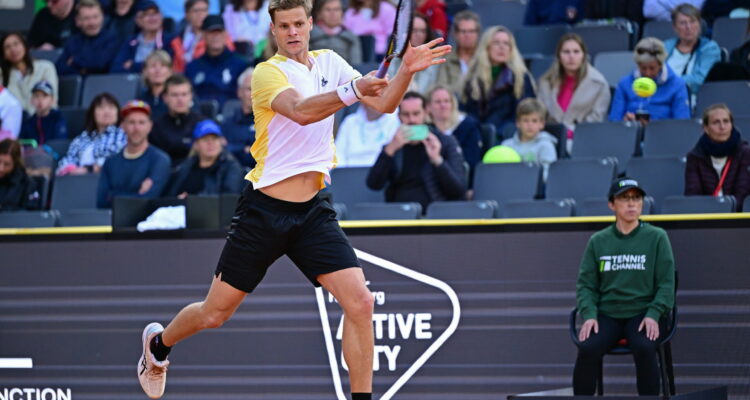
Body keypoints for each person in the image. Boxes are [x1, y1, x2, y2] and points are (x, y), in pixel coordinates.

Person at [135, 0, 450, 398]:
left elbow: (385, 104)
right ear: (274, 31)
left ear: (311, 23)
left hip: (314, 211)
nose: (293, 32)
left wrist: (406, 70)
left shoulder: (331, 62)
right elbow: (301, 112)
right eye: (284, 26)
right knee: (214, 314)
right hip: (263, 212)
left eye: (299, 23)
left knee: (361, 302)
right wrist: (352, 89)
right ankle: (159, 346)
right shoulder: (266, 73)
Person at [574, 177, 675, 396]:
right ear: (612, 205)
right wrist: (589, 314)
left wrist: (654, 313)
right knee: (588, 348)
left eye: (636, 198)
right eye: (625, 199)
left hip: (643, 312)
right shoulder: (598, 240)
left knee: (644, 346)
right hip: (608, 314)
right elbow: (586, 285)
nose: (632, 204)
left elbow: (667, 283)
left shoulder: (657, 237)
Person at [367, 91, 466, 210]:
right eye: (406, 114)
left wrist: (437, 160)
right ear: (399, 116)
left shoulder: (445, 142)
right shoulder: (393, 145)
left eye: (416, 114)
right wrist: (389, 151)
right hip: (399, 213)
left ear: (425, 113)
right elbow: (373, 184)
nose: (411, 119)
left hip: (434, 213)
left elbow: (458, 190)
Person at [537, 33, 611, 152]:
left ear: (583, 55)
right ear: (559, 56)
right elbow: (539, 114)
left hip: (583, 140)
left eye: (576, 52)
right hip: (549, 138)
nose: (571, 56)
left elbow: (597, 118)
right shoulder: (545, 82)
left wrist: (570, 132)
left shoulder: (599, 83)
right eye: (566, 52)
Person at [461, 25, 535, 137]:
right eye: (496, 43)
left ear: (511, 49)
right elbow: (465, 113)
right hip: (477, 136)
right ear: (486, 47)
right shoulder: (473, 78)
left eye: (506, 44)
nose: (502, 47)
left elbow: (524, 114)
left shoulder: (521, 78)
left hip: (507, 137)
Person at [97, 100, 171, 208]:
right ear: (122, 126)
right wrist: (137, 196)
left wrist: (114, 196)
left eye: (141, 122)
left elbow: (148, 201)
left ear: (150, 126)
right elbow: (101, 202)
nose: (136, 128)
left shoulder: (160, 160)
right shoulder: (110, 162)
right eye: (131, 122)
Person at [609, 37, 691, 123]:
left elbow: (682, 123)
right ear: (638, 65)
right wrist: (625, 122)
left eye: (652, 68)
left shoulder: (677, 85)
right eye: (643, 68)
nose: (647, 73)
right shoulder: (624, 84)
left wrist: (652, 125)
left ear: (660, 64)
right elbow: (614, 120)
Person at [685, 103, 750, 210]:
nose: (722, 127)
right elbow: (693, 196)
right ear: (706, 128)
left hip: (738, 218)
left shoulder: (745, 153)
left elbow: (743, 192)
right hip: (706, 217)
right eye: (716, 122)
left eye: (726, 121)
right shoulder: (694, 157)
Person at [165, 119, 244, 197]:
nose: (211, 143)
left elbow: (229, 200)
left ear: (221, 142)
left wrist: (191, 201)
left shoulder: (231, 167)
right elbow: (170, 194)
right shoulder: (186, 165)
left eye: (214, 138)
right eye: (205, 139)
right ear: (196, 144)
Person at [185, 15, 251, 106]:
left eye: (219, 32)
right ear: (203, 35)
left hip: (231, 116)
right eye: (211, 32)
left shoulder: (241, 65)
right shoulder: (192, 67)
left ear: (225, 34)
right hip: (200, 115)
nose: (216, 36)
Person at [57, 93, 126, 176]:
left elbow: (118, 160)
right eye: (101, 107)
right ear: (93, 113)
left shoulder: (122, 135)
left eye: (111, 107)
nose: (106, 111)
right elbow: (67, 161)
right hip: (76, 181)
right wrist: (69, 169)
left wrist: (89, 169)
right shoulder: (82, 138)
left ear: (118, 113)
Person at [426, 85, 482, 185]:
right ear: (428, 107)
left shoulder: (468, 125)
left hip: (460, 181)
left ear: (453, 104)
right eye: (438, 102)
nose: (443, 105)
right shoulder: (424, 129)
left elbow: (473, 162)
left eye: (447, 101)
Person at [664, 4, 721, 96]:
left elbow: (699, 80)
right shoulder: (665, 46)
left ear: (699, 24)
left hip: (693, 99)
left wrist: (667, 83)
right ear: (674, 27)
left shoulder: (710, 48)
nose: (688, 27)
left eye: (692, 21)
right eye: (683, 23)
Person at [149, 74, 204, 165]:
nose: (180, 100)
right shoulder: (156, 127)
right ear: (165, 98)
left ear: (191, 96)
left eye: (184, 94)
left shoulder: (202, 124)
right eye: (175, 95)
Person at [55, 0, 120, 76]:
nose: (92, 23)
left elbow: (100, 64)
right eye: (86, 18)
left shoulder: (111, 39)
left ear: (102, 17)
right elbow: (59, 69)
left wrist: (74, 62)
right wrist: (85, 67)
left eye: (95, 17)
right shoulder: (73, 41)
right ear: (78, 21)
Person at [1, 32, 59, 115]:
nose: (13, 49)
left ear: (24, 46)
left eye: (16, 44)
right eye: (7, 47)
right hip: (16, 124)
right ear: (3, 54)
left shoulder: (46, 67)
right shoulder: (2, 75)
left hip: (44, 120)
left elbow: (52, 101)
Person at [111, 1, 176, 73]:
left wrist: (133, 65)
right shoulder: (131, 41)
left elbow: (166, 66)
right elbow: (115, 68)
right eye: (146, 14)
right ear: (137, 20)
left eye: (155, 13)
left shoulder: (171, 41)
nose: (152, 18)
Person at [172, 0, 236, 73]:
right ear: (186, 14)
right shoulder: (177, 40)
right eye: (196, 11)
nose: (201, 14)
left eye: (204, 10)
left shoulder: (221, 37)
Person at [500, 98, 557, 179]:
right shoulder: (506, 146)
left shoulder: (546, 146)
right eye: (525, 120)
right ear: (518, 123)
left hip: (535, 189)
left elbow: (549, 173)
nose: (530, 125)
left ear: (542, 124)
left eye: (534, 121)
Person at [387, 14, 438, 94]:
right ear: (404, 33)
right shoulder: (394, 59)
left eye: (423, 31)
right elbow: (388, 88)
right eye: (414, 30)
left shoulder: (434, 59)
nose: (419, 34)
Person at [335, 103, 399, 167]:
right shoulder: (349, 122)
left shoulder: (397, 119)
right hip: (350, 172)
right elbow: (338, 155)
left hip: (381, 171)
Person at [435, 10, 481, 95]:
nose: (467, 35)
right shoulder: (446, 59)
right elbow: (441, 87)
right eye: (463, 31)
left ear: (477, 33)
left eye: (471, 31)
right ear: (455, 34)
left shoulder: (485, 58)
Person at [221, 67, 257, 167]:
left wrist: (232, 147)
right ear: (239, 92)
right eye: (249, 89)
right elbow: (221, 152)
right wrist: (243, 149)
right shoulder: (228, 123)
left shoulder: (271, 122)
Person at [310, 0, 362, 65]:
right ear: (319, 13)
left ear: (342, 13)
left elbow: (356, 64)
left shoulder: (351, 37)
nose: (333, 13)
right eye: (328, 10)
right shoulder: (309, 34)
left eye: (336, 9)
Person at [20, 81, 68, 145]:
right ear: (31, 100)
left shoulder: (58, 119)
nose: (40, 99)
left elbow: (59, 144)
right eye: (37, 96)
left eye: (44, 96)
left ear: (52, 100)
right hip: (31, 154)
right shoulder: (28, 122)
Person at [0, 139, 40, 211]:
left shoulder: (27, 184)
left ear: (15, 164)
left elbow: (30, 213)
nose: (1, 168)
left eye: (6, 164)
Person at [139, 50, 173, 118]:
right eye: (153, 66)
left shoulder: (178, 96)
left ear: (170, 71)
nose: (158, 70)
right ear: (145, 71)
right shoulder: (140, 100)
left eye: (163, 66)